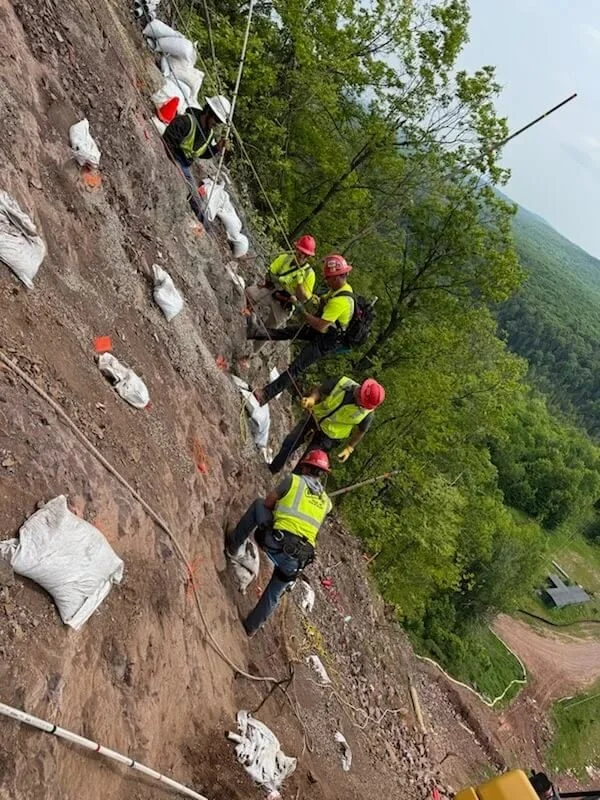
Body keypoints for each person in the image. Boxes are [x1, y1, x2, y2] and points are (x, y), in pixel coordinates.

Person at [225, 450, 332, 636]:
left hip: (276, 541)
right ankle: (252, 626)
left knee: (258, 505)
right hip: (298, 559)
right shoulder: (326, 502)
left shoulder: (293, 481)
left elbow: (268, 502)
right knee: (275, 591)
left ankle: (233, 546)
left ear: (305, 466)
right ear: (321, 473)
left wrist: (280, 512)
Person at [249, 254, 355, 404]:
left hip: (328, 338)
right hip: (326, 328)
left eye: (328, 278)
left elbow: (320, 326)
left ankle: (265, 395)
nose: (326, 280)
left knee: (297, 366)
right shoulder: (341, 289)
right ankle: (255, 333)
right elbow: (322, 304)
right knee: (288, 331)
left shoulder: (341, 301)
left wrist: (301, 310)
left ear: (336, 277)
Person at [269, 376, 385, 474]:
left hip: (330, 437)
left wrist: (350, 448)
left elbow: (361, 431)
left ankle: (287, 490)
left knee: (307, 464)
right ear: (361, 390)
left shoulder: (367, 414)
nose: (361, 404)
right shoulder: (343, 383)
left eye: (364, 403)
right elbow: (319, 390)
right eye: (361, 400)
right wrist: (312, 399)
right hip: (314, 418)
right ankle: (272, 469)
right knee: (291, 441)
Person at [162, 95, 232, 220]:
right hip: (174, 158)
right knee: (188, 189)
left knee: (196, 199)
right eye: (216, 120)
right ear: (208, 112)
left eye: (220, 122)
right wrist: (172, 165)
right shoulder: (186, 121)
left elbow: (202, 153)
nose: (216, 124)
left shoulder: (208, 134)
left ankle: (204, 224)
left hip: (185, 166)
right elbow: (167, 140)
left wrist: (216, 148)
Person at [246, 236, 317, 352]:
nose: (302, 256)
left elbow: (303, 298)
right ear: (296, 248)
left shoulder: (309, 274)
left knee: (268, 330)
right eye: (301, 252)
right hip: (272, 291)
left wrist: (299, 282)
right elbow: (270, 273)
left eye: (306, 255)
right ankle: (248, 318)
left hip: (285, 305)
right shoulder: (285, 259)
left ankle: (251, 353)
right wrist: (279, 280)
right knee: (249, 293)